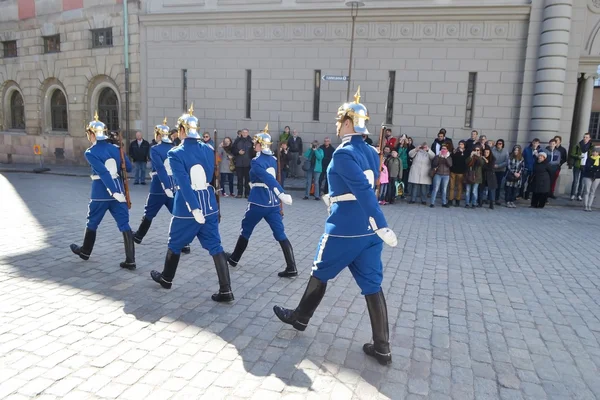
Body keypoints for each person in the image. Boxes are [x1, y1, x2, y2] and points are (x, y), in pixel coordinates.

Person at [272, 87, 398, 366]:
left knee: (320, 271)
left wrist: (382, 223)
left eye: (341, 121)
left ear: (350, 123)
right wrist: (338, 198)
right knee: (372, 284)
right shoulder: (370, 151)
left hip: (346, 227)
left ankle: (300, 317)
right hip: (367, 232)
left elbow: (365, 192)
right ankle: (382, 347)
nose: (338, 125)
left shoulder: (343, 153)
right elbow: (361, 185)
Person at [150, 105, 233, 302]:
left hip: (187, 208)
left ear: (182, 130)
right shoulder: (208, 149)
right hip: (209, 203)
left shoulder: (175, 153)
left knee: (175, 243)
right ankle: (226, 289)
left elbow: (183, 183)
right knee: (215, 246)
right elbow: (211, 177)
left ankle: (167, 278)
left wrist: (194, 207)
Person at [227, 125, 296, 277]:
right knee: (280, 233)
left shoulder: (256, 161)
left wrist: (282, 193)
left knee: (246, 229)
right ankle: (291, 266)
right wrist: (279, 197)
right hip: (273, 204)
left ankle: (234, 258)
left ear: (260, 144)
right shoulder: (272, 159)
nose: (253, 145)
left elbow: (268, 179)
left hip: (258, 201)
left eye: (255, 143)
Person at [70, 111, 135, 270]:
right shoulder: (114, 148)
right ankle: (130, 260)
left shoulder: (91, 152)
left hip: (101, 193)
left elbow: (103, 173)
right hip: (119, 192)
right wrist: (119, 149)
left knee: (92, 222)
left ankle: (85, 251)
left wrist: (112, 191)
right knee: (125, 225)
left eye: (89, 134)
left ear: (92, 134)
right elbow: (130, 167)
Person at [132, 118, 191, 255]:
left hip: (159, 186)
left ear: (158, 135)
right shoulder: (174, 148)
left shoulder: (155, 149)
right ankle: (185, 242)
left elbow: (159, 168)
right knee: (178, 213)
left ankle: (139, 236)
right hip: (174, 184)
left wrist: (166, 186)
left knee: (149, 212)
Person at [570, 132, 593, 201]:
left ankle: (579, 195)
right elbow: (572, 154)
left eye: (586, 137)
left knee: (582, 181)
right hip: (577, 164)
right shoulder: (578, 145)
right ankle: (573, 194)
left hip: (585, 166)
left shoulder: (591, 146)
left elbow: (593, 155)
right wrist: (578, 157)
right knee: (575, 180)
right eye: (584, 137)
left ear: (589, 138)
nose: (585, 138)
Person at [232, 128, 254, 198]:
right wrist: (238, 152)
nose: (244, 134)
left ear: (248, 133)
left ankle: (247, 194)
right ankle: (239, 193)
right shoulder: (237, 140)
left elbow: (254, 152)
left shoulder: (251, 141)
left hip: (248, 163)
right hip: (239, 163)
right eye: (243, 132)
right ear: (241, 133)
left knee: (248, 179)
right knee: (239, 179)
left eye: (246, 132)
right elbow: (233, 150)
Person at [449, 140, 468, 207]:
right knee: (451, 186)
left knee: (459, 187)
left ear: (464, 145)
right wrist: (454, 152)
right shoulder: (455, 151)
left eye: (462, 144)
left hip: (461, 172)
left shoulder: (466, 152)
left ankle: (458, 200)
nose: (460, 145)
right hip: (453, 171)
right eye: (459, 144)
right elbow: (451, 158)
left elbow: (467, 161)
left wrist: (462, 152)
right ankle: (450, 200)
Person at [582, 146, 600, 212]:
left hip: (597, 177)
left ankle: (590, 205)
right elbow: (588, 167)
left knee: (593, 191)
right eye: (593, 151)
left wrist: (594, 168)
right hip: (588, 176)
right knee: (587, 191)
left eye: (596, 152)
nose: (594, 153)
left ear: (598, 153)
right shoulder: (589, 159)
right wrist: (595, 168)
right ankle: (585, 205)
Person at [492, 139, 508, 205]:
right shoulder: (493, 150)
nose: (499, 144)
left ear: (502, 144)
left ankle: (497, 199)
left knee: (498, 185)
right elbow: (490, 158)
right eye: (498, 143)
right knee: (492, 185)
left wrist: (498, 166)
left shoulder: (505, 151)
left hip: (501, 170)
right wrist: (493, 165)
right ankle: (491, 198)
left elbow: (506, 161)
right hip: (493, 170)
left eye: (500, 143)